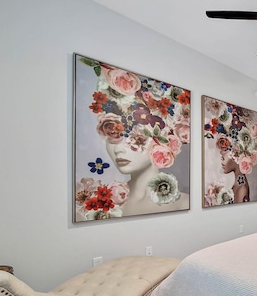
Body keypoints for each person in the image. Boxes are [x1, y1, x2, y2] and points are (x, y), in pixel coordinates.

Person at [75, 55, 190, 221]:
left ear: (162, 139)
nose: (119, 148)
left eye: (132, 137)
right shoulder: (99, 204)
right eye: (112, 135)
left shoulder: (183, 203)